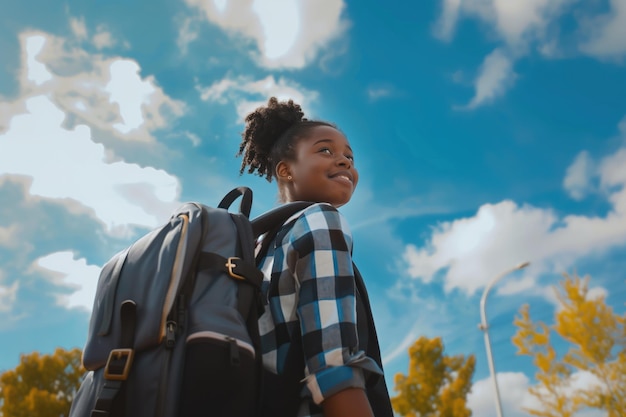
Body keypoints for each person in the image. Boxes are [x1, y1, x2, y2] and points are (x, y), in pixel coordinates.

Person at [237, 97, 394, 417]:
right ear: (286, 169)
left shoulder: (257, 248)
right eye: (326, 150)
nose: (345, 161)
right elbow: (332, 365)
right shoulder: (321, 220)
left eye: (349, 155)